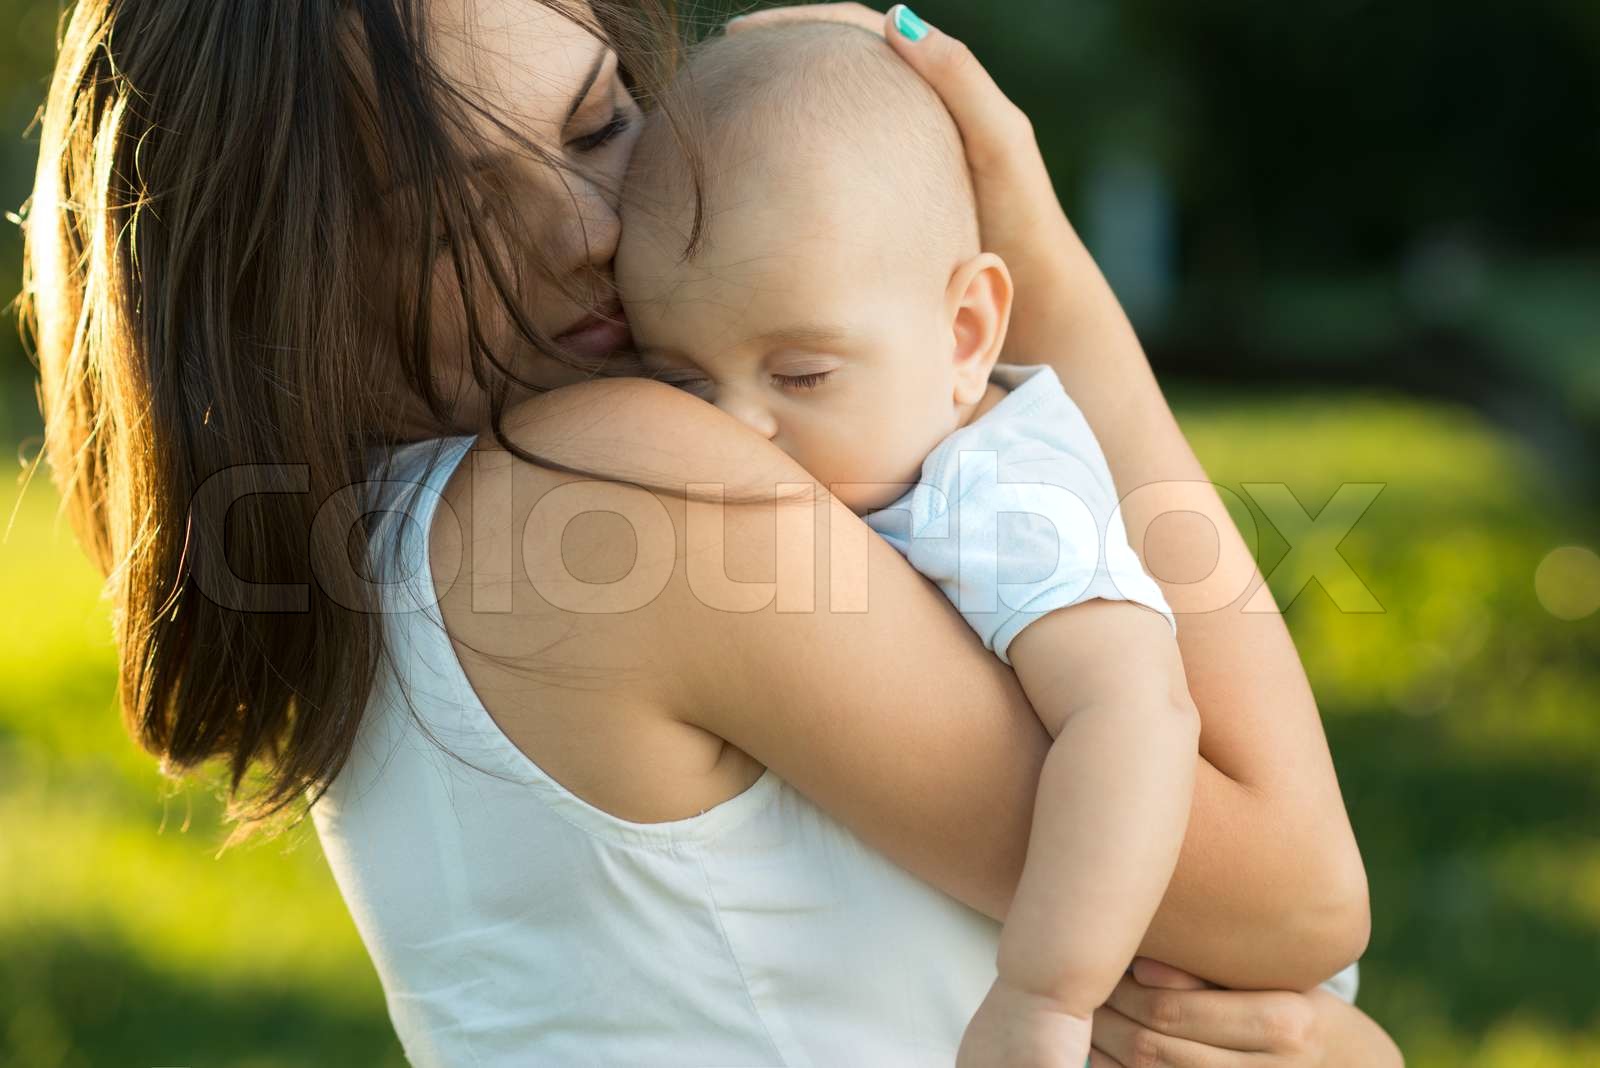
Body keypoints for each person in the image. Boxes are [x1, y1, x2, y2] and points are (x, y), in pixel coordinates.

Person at [21, 0, 1401, 1063]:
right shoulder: (610, 487)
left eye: (599, 123)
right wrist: (1045, 277)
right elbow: (1296, 901)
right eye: (446, 221)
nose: (587, 231)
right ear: (275, 289)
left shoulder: (403, 540)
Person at [615, 23, 1197, 1065]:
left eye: (800, 376)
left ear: (967, 335)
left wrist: (1045, 996)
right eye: (681, 383)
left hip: (1157, 988)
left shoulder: (998, 489)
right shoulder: (864, 449)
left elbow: (1135, 717)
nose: (734, 428)